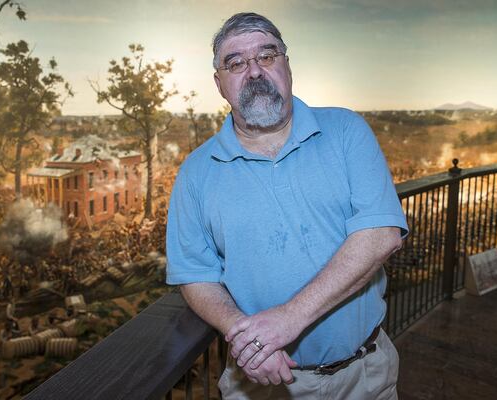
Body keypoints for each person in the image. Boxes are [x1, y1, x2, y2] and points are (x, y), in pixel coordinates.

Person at [166, 12, 409, 400]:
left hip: (366, 375)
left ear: (286, 65)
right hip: (262, 384)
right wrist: (247, 339)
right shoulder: (196, 173)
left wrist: (287, 320)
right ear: (220, 84)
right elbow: (195, 275)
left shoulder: (346, 131)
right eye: (236, 63)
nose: (255, 72)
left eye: (267, 55)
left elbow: (382, 235)